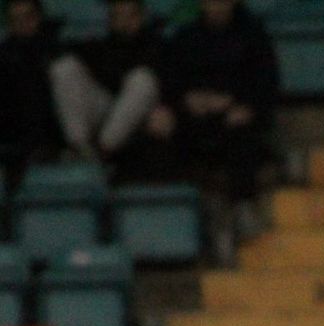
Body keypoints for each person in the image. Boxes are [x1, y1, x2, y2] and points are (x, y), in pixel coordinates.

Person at [146, 0, 278, 258]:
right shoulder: (187, 37)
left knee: (242, 134)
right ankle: (188, 219)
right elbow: (171, 80)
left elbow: (266, 82)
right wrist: (188, 99)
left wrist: (243, 104)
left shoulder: (253, 35)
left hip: (235, 115)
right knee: (159, 133)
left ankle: (242, 206)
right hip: (194, 117)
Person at [48, 0, 162, 167]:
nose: (124, 21)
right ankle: (80, 150)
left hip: (143, 112)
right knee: (64, 67)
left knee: (142, 78)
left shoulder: (159, 46)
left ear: (141, 17)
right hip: (107, 109)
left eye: (130, 15)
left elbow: (173, 82)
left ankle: (102, 152)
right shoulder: (103, 47)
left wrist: (167, 106)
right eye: (118, 16)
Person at [0, 0, 63, 182]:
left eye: (27, 17)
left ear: (38, 18)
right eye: (15, 19)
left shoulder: (55, 49)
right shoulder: (4, 55)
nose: (22, 23)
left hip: (49, 132)